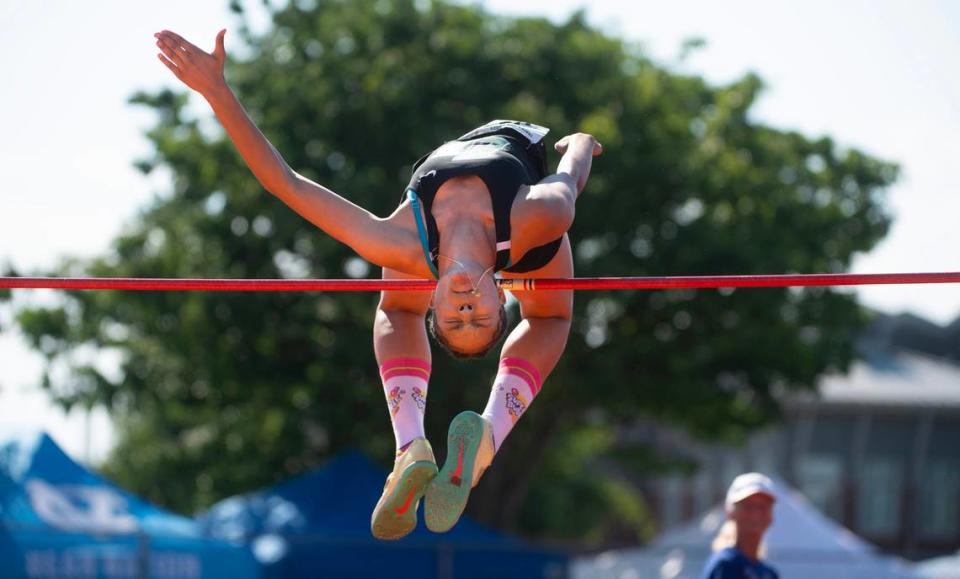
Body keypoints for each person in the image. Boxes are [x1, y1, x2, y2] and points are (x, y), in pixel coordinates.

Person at [154, 29, 601, 540]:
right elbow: (570, 179)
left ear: (431, 297)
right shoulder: (540, 217)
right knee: (553, 316)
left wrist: (217, 92)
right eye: (478, 316)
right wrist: (581, 145)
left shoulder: (401, 247)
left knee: (394, 309)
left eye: (455, 320)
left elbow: (286, 183)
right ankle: (482, 438)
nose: (464, 307)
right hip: (522, 238)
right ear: (501, 293)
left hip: (440, 240)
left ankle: (412, 445)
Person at [701, 473, 780, 579]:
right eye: (748, 506)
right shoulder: (726, 565)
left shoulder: (769, 573)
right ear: (730, 513)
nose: (756, 513)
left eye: (762, 506)